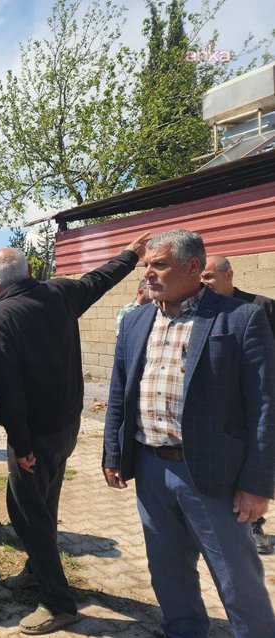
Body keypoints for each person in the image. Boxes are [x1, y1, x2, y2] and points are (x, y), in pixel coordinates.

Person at [103, 230, 275, 638]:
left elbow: (265, 405)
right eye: (146, 265)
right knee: (167, 569)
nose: (148, 273)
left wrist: (257, 484)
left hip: (213, 474)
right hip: (149, 467)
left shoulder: (238, 318)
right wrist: (113, 452)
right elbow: (118, 391)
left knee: (236, 577)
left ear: (193, 267)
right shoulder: (136, 319)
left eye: (158, 264)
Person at [0, 233, 148, 635]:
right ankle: (36, 569)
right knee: (44, 503)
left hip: (34, 437)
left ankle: (58, 603)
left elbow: (8, 391)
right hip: (66, 428)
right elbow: (101, 278)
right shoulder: (59, 294)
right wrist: (130, 254)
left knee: (27, 513)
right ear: (30, 271)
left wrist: (18, 445)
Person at [201, 253, 275, 554]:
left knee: (254, 465)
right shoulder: (203, 312)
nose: (203, 283)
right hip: (220, 409)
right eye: (200, 278)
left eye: (208, 277)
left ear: (228, 274)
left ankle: (255, 525)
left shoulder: (260, 307)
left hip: (255, 402)